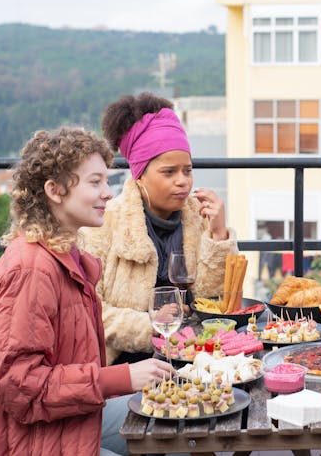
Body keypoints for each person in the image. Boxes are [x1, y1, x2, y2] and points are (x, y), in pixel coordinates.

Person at [0, 128, 175, 456]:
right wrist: (121, 378)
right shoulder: (32, 269)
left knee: (172, 418)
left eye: (107, 181)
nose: (108, 193)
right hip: (33, 442)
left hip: (62, 420)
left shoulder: (61, 256)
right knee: (168, 423)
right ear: (55, 190)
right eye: (95, 182)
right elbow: (19, 387)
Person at [82, 93, 237, 365]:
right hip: (128, 363)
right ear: (139, 174)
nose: (183, 182)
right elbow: (90, 311)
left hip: (195, 355)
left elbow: (216, 304)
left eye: (187, 170)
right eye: (169, 172)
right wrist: (150, 324)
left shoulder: (197, 215)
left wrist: (218, 235)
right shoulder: (105, 224)